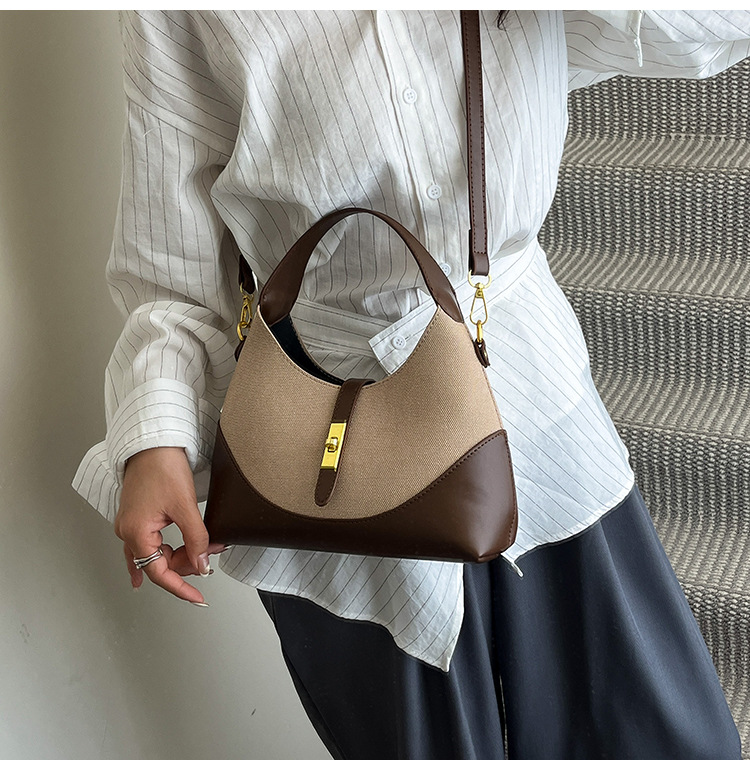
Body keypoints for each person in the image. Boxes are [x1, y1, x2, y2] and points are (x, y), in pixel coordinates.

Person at [73, 11, 750, 759]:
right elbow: (170, 265)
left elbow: (715, 27)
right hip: (320, 455)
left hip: (531, 401)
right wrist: (155, 438)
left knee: (657, 736)